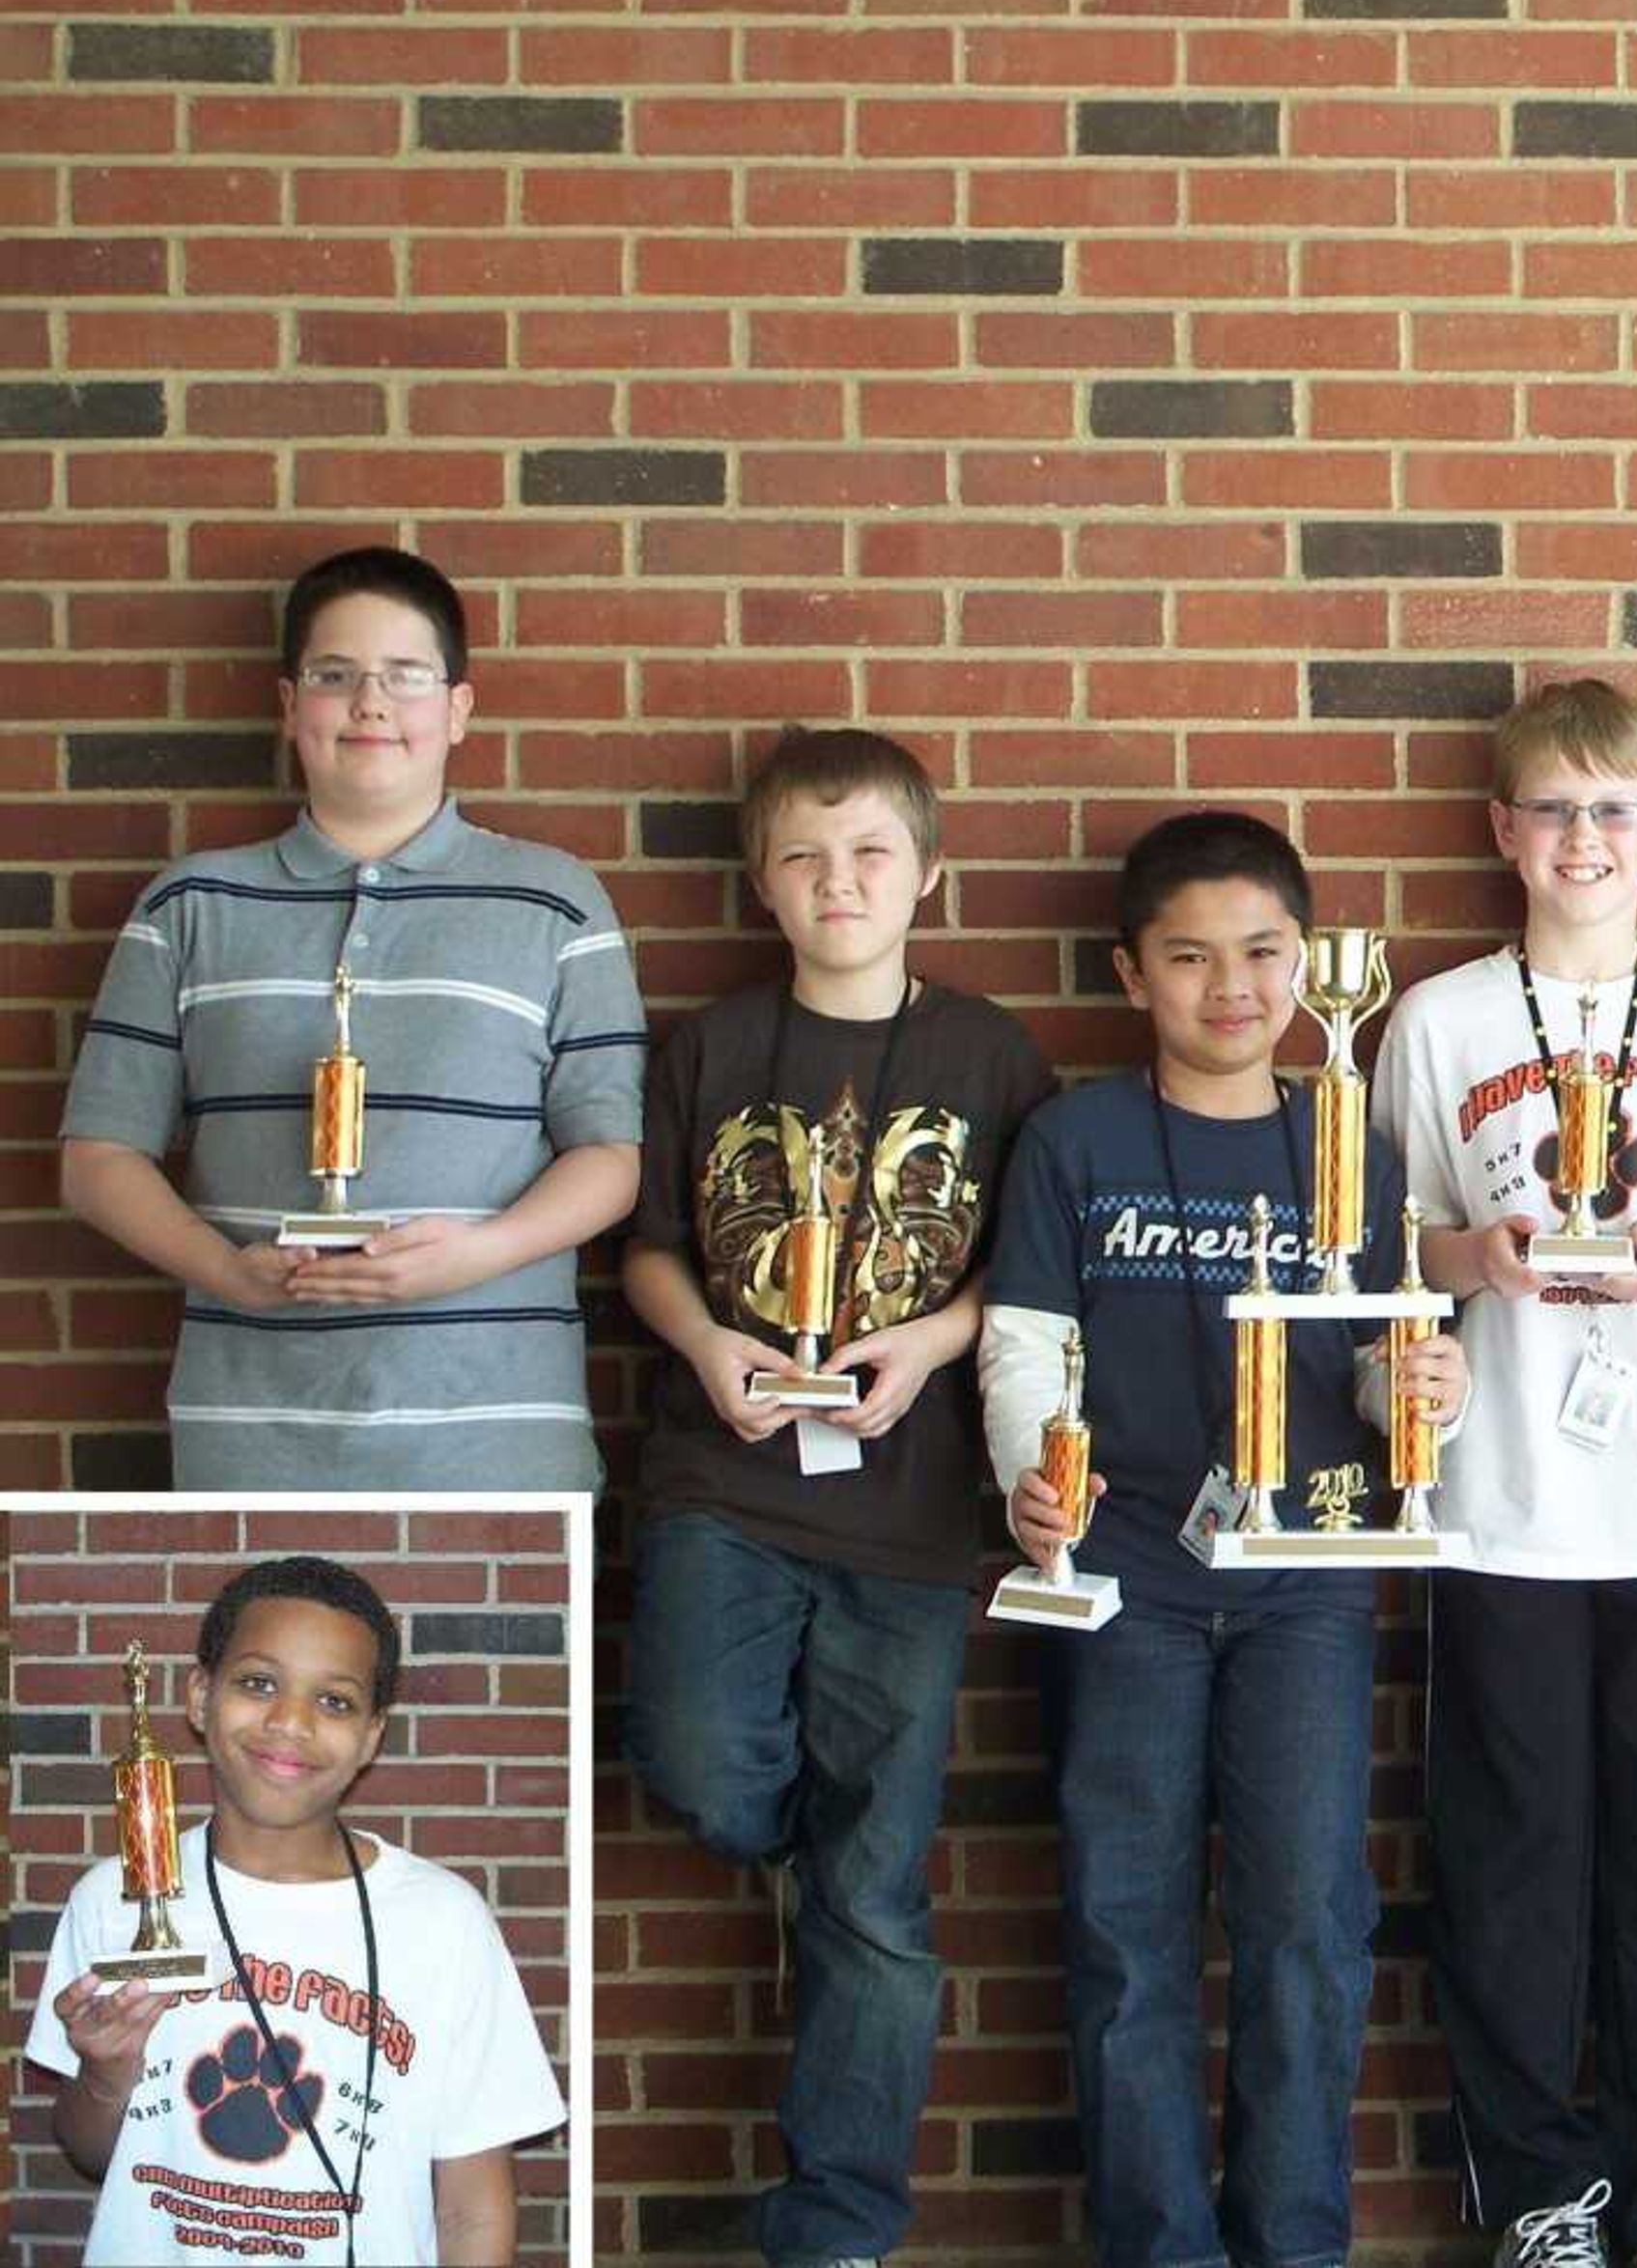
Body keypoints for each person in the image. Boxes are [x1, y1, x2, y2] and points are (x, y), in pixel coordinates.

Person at [976, 809, 1471, 2268]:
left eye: (1261, 953)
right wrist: (1029, 1479)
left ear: (1310, 966)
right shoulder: (1077, 1139)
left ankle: (1295, 2242)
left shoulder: (1351, 1146)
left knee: (1305, 1926)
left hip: (1306, 1585)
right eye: (1189, 957)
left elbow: (1378, 1356)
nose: (1230, 986)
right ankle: (1159, 2247)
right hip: (1125, 1575)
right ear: (1133, 973)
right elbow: (1025, 1348)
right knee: (1127, 1931)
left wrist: (1419, 1386)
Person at [622, 726, 1058, 2268]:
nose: (839, 881)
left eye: (871, 851)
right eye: (805, 855)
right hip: (720, 1480)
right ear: (761, 881)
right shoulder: (709, 1045)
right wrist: (707, 1341)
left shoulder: (995, 1057)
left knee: (878, 1899)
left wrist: (932, 1344)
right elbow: (654, 1240)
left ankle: (837, 2228)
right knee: (693, 1759)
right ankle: (818, 1826)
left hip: (913, 1522)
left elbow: (1032, 1266)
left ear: (927, 873)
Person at [1374, 682, 1637, 2268]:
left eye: (1616, 810)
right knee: (1511, 1869)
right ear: (1501, 831)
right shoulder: (1437, 1021)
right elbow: (1375, 1249)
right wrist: (1474, 1258)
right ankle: (1544, 2194)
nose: (1583, 838)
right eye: (1552, 807)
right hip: (1499, 1501)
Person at [56, 545, 644, 1488]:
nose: (371, 702)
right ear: (291, 705)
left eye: (406, 677)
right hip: (251, 1436)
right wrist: (224, 1268)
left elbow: (612, 1158)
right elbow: (97, 1161)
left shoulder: (557, 902)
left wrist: (477, 1254)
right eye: (336, 676)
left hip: (498, 1436)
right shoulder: (189, 904)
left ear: (458, 708)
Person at [26, 1554, 568, 2266]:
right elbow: (91, 2152)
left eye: (335, 1701)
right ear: (198, 1696)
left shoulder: (445, 1920)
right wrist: (104, 2073)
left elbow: (472, 2204)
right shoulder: (111, 1896)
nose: (290, 1721)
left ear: (373, 1735)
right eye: (258, 1683)